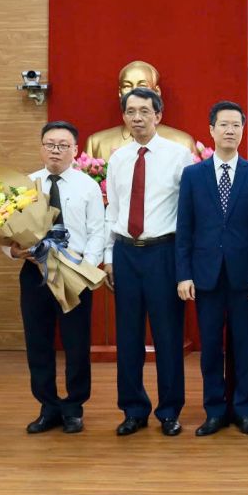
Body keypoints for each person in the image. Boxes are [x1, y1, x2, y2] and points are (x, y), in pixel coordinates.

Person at [176, 101, 248, 437]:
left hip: (245, 279)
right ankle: (214, 411)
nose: (230, 131)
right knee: (211, 350)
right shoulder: (193, 175)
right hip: (206, 276)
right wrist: (184, 274)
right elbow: (185, 228)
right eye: (224, 125)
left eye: (236, 125)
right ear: (211, 130)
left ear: (243, 131)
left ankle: (245, 411)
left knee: (245, 347)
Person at [103, 87, 189, 437]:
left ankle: (169, 411)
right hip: (125, 253)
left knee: (168, 336)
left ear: (158, 115)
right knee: (128, 337)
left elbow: (188, 214)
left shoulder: (179, 156)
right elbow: (113, 211)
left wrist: (184, 264)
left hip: (163, 252)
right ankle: (133, 409)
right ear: (124, 116)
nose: (137, 118)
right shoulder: (118, 159)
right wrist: (108, 257)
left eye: (144, 111)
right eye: (130, 112)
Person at [13, 120, 106, 435]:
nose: (56, 150)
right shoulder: (26, 185)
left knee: (76, 343)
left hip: (73, 273)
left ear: (75, 150)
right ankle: (48, 406)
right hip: (35, 272)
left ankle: (74, 407)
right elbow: (8, 231)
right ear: (41, 148)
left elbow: (97, 231)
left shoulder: (87, 186)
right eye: (50, 144)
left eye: (63, 145)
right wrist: (13, 251)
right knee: (38, 341)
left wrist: (86, 268)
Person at [84, 60, 199, 161]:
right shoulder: (97, 143)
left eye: (142, 85)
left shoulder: (182, 143)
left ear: (157, 91)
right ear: (120, 92)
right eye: (127, 86)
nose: (134, 92)